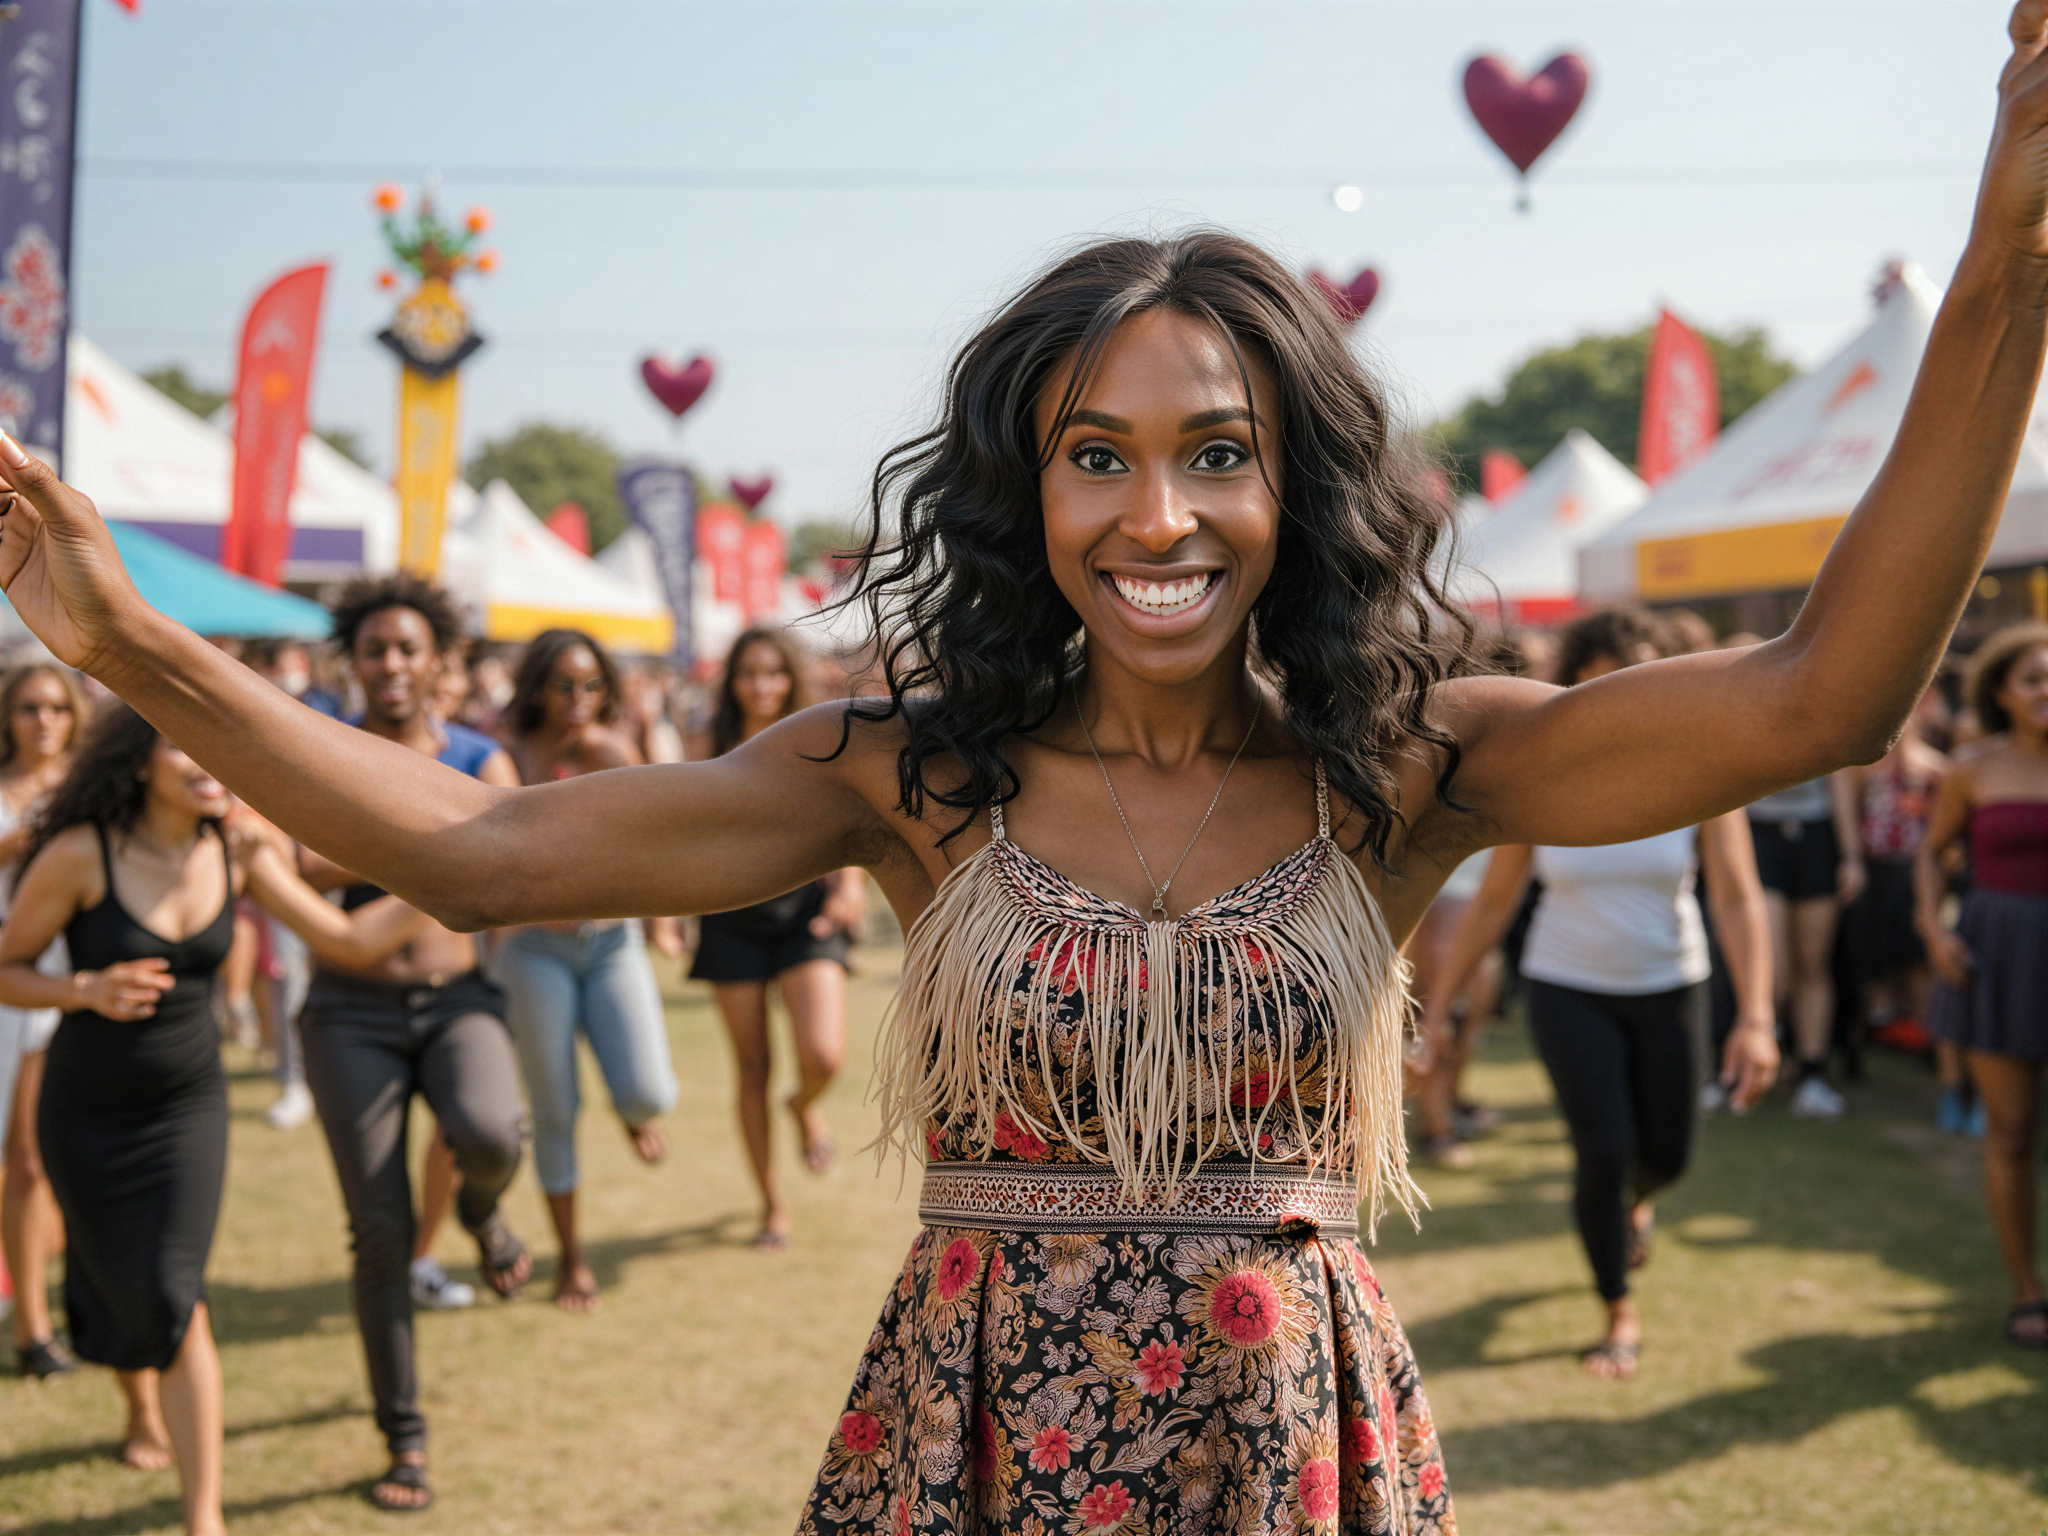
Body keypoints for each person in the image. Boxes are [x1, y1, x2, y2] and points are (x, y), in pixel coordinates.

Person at [2, 31, 2044, 1519]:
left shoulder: (1404, 769)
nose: (1158, 514)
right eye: (1098, 455)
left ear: (1289, 483)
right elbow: (484, 846)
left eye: (1215, 452)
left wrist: (2000, 274)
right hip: (977, 1442)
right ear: (1029, 493)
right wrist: (136, 646)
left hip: (1290, 1452)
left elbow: (1817, 702)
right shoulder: (914, 779)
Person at [0, 705, 439, 1534]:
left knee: (174, 1289)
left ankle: (205, 1518)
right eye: (184, 746)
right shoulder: (79, 854)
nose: (209, 765)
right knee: (114, 1276)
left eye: (218, 751)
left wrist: (446, 886)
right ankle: (140, 1411)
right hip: (86, 1108)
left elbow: (344, 940)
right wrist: (81, 989)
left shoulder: (236, 850)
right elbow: (7, 967)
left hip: (187, 1109)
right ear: (138, 762)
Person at [1416, 608, 1778, 1379]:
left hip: (1672, 982)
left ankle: (1639, 1204)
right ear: (1573, 686)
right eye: (1601, 681)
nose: (1623, 696)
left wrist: (1756, 1017)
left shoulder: (1704, 768)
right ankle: (1617, 1307)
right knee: (1603, 1151)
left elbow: (1740, 899)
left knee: (1667, 1157)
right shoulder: (1543, 780)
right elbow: (1494, 903)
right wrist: (1440, 1005)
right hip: (1566, 984)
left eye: (1641, 676)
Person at [289, 574, 533, 1512]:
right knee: (381, 1233)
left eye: (407, 649)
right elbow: (296, 856)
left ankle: (481, 1214)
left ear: (439, 662)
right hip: (348, 1013)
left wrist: (368, 841)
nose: (390, 664)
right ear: (352, 660)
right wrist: (442, 840)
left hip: (458, 1000)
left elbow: (512, 853)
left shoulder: (482, 751)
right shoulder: (325, 750)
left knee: (492, 1134)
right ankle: (405, 1440)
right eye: (374, 649)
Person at [496, 628, 678, 1309]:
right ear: (537, 688)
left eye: (592, 686)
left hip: (609, 942)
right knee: (555, 1111)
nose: (579, 699)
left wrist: (611, 750)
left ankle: (631, 1112)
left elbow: (652, 824)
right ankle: (571, 1260)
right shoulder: (507, 753)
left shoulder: (607, 745)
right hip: (533, 949)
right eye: (564, 686)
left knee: (649, 1094)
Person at [689, 628, 865, 1249]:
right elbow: (679, 833)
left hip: (805, 912)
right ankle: (772, 1205)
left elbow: (848, 819)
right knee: (751, 1069)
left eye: (773, 671)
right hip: (728, 912)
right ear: (731, 681)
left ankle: (803, 1106)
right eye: (748, 673)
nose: (761, 684)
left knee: (823, 1056)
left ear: (790, 675)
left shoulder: (817, 737)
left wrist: (849, 890)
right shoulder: (705, 744)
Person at [1918, 622, 2048, 1349]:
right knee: (2012, 1132)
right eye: (2033, 678)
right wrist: (1935, 931)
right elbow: (1933, 855)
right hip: (1998, 953)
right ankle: (2027, 1289)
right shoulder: (1971, 769)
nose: (2047, 690)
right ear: (2002, 691)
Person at [0, 662, 85, 1378]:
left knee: (35, 1158)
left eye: (57, 706)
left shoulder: (92, 788)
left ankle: (35, 1326)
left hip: (66, 977)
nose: (44, 720)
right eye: (29, 707)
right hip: (6, 972)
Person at [1838, 689, 1956, 1115]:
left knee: (1915, 953)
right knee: (1872, 953)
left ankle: (1923, 1030)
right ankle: (1878, 1021)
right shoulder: (1864, 768)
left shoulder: (1937, 770)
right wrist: (1851, 860)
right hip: (1875, 869)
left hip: (1916, 871)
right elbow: (1851, 813)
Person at [1744, 766, 1860, 1116]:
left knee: (1813, 963)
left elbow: (1840, 778)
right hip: (1756, 832)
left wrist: (1852, 856)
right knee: (1772, 969)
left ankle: (1812, 1073)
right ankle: (1758, 1059)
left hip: (1816, 835)